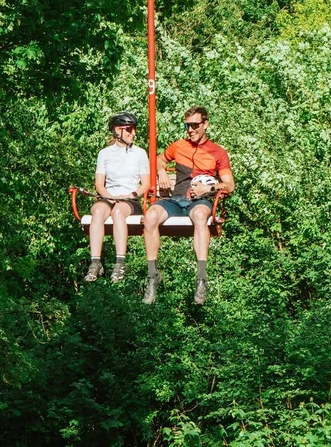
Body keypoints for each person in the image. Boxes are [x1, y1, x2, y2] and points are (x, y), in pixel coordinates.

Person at [142, 106, 234, 305]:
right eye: (187, 126)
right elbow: (158, 160)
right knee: (150, 216)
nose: (190, 130)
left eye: (194, 125)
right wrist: (163, 172)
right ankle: (152, 276)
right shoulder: (178, 146)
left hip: (199, 201)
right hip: (175, 199)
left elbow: (229, 184)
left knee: (201, 216)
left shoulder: (218, 152)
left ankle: (201, 278)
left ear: (205, 125)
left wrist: (208, 189)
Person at [86, 112, 150, 283]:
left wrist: (132, 194)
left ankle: (120, 262)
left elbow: (146, 184)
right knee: (98, 210)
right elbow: (99, 184)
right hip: (109, 197)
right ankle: (95, 262)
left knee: (119, 212)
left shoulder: (140, 153)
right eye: (129, 129)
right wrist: (109, 197)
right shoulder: (105, 154)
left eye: (134, 129)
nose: (133, 133)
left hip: (130, 200)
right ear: (117, 131)